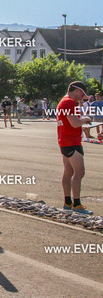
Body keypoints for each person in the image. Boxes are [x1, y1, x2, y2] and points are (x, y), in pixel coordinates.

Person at [57, 81, 93, 215]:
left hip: (65, 141)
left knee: (68, 172)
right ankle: (77, 204)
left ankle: (67, 202)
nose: (82, 98)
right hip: (72, 142)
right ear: (77, 91)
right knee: (79, 172)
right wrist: (85, 119)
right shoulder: (69, 103)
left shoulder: (64, 101)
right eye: (82, 94)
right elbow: (74, 123)